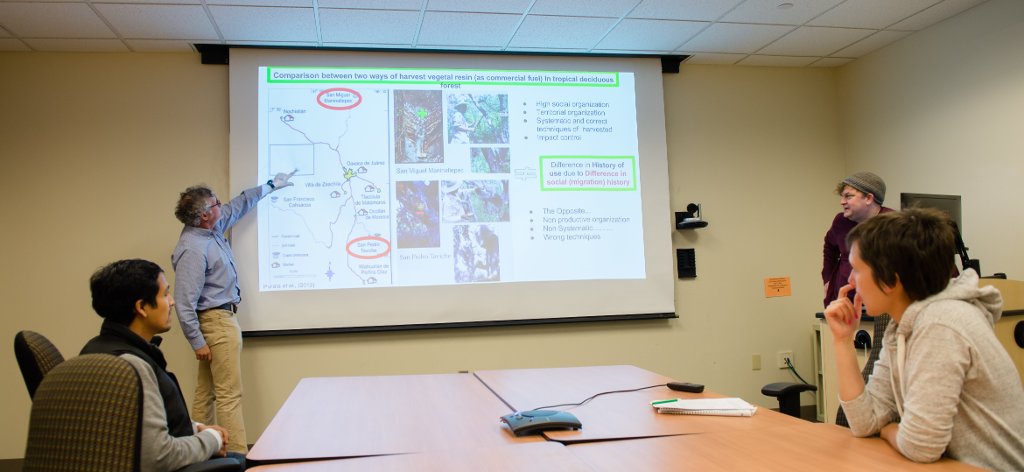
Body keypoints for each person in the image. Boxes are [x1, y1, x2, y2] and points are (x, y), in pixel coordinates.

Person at [823, 209, 1024, 469]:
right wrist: (842, 341)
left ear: (890, 281)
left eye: (857, 270)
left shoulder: (940, 323)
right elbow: (865, 422)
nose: (850, 280)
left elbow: (920, 446)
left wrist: (888, 430)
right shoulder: (901, 325)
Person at [172, 172, 294, 455]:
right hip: (215, 323)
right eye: (215, 203)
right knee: (229, 395)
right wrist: (197, 341)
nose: (221, 205)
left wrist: (271, 185)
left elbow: (239, 205)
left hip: (217, 322)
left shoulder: (212, 227)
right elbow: (184, 300)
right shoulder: (192, 248)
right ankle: (237, 455)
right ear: (203, 215)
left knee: (206, 393)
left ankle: (197, 451)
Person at [81, 259, 237, 471]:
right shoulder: (132, 367)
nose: (172, 302)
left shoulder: (95, 350)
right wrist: (212, 439)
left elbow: (139, 424)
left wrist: (195, 428)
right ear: (142, 307)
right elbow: (158, 456)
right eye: (165, 294)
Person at [822, 171, 894, 308]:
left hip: (879, 307)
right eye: (842, 196)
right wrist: (827, 279)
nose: (842, 202)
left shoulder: (892, 224)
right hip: (843, 302)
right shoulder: (841, 221)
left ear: (868, 198)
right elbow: (829, 247)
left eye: (848, 196)